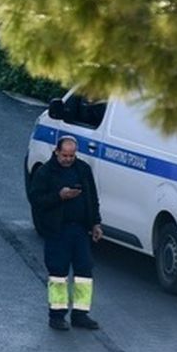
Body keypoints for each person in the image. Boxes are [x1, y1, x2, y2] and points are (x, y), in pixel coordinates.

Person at [27, 135, 103, 331]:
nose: (68, 159)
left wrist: (96, 223)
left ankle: (80, 314)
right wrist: (59, 196)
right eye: (65, 155)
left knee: (84, 272)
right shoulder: (45, 172)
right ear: (57, 152)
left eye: (72, 155)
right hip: (57, 230)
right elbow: (36, 199)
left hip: (79, 229)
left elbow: (92, 198)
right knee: (58, 274)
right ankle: (57, 316)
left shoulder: (83, 169)